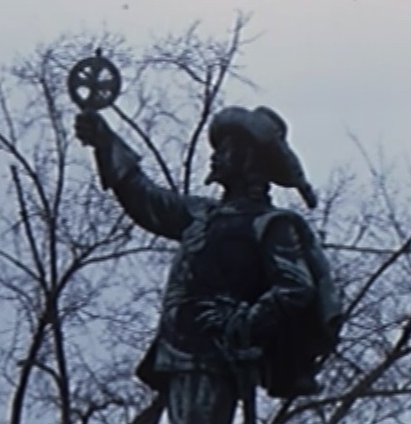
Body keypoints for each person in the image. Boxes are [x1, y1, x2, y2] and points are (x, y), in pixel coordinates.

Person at [74, 106, 342, 424]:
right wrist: (106, 142)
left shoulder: (270, 224)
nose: (215, 156)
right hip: (179, 350)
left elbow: (296, 287)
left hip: (215, 356)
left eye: (227, 150)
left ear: (248, 161)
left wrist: (244, 321)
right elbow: (148, 201)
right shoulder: (200, 214)